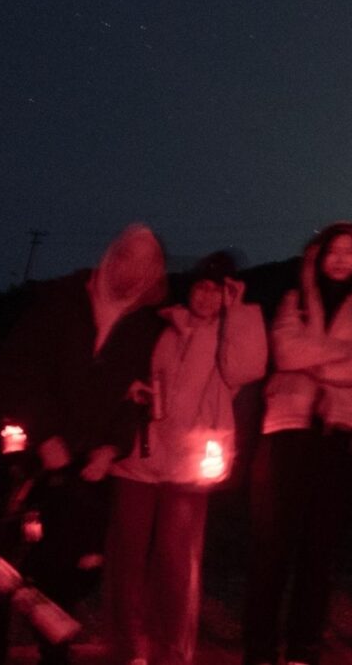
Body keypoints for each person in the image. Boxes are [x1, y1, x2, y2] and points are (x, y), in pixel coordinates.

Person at [0, 224, 168, 665]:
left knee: (66, 571)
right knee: (2, 566)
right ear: (111, 255)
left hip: (85, 465)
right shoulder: (60, 303)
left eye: (145, 264)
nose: (133, 270)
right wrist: (44, 437)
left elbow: (136, 397)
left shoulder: (142, 327)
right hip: (31, 456)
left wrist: (112, 447)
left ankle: (54, 655)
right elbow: (15, 373)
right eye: (127, 257)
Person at [106, 251, 268, 665]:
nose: (207, 297)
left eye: (218, 290)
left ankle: (172, 652)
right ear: (190, 287)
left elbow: (248, 368)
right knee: (127, 557)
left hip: (190, 461)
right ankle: (129, 648)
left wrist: (240, 309)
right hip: (139, 454)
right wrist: (131, 389)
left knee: (177, 565)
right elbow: (122, 368)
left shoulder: (231, 333)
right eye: (202, 287)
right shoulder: (163, 325)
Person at [243, 221, 352, 665]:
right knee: (272, 546)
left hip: (337, 436)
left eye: (350, 252)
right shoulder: (294, 300)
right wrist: (342, 356)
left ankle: (303, 645)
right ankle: (261, 648)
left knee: (319, 549)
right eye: (333, 251)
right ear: (319, 256)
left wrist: (317, 363)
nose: (341, 259)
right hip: (286, 433)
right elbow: (285, 353)